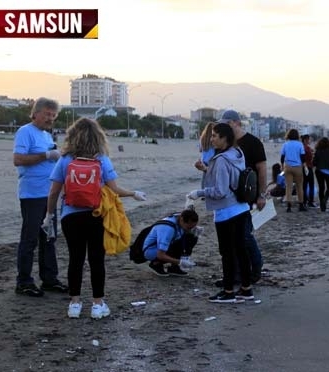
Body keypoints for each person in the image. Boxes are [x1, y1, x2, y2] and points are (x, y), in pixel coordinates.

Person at [45, 117, 148, 319]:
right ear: (98, 137)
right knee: (96, 260)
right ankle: (97, 304)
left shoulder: (65, 159)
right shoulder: (101, 159)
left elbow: (53, 192)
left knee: (75, 259)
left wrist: (49, 216)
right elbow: (115, 189)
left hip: (70, 217)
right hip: (96, 215)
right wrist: (133, 193)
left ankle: (74, 304)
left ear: (73, 136)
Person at [188, 123, 253, 303]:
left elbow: (220, 191)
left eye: (215, 136)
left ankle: (228, 291)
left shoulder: (221, 159)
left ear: (225, 138)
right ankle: (246, 289)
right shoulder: (238, 154)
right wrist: (206, 170)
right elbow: (228, 177)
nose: (211, 138)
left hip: (226, 212)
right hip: (241, 207)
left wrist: (199, 193)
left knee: (227, 252)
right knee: (240, 250)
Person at [12, 97, 68, 297]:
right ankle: (24, 282)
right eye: (47, 114)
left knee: (49, 237)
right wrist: (45, 156)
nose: (50, 118)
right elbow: (18, 160)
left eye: (53, 115)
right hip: (32, 194)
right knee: (30, 239)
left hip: (49, 194)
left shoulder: (46, 135)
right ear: (36, 113)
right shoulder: (25, 131)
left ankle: (49, 279)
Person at [220, 109, 267, 284]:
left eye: (227, 124)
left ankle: (255, 268)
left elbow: (262, 170)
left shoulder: (253, 143)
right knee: (233, 237)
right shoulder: (225, 143)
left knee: (244, 235)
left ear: (236, 123)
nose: (224, 127)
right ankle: (238, 272)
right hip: (228, 197)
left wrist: (261, 195)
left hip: (247, 195)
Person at [143, 210, 200, 276]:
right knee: (183, 241)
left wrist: (194, 232)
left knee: (192, 237)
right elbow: (160, 255)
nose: (190, 229)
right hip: (151, 250)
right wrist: (181, 262)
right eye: (189, 227)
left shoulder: (179, 218)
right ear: (182, 220)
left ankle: (174, 268)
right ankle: (156, 264)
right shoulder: (168, 229)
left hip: (166, 245)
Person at [280, 128, 307, 212]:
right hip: (298, 166)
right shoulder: (300, 144)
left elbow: (282, 157)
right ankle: (301, 204)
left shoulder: (285, 144)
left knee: (289, 186)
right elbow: (302, 157)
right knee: (299, 186)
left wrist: (282, 165)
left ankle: (289, 205)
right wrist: (304, 165)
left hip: (287, 167)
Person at [313, 137, 329, 212]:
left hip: (319, 171)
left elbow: (314, 162)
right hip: (328, 171)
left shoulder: (317, 150)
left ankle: (322, 206)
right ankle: (325, 200)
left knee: (321, 188)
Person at [194, 122, 217, 188]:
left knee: (205, 183)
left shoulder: (202, 138)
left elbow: (200, 150)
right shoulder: (214, 139)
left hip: (204, 162)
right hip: (212, 162)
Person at [301, 134, 317, 208]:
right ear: (305, 140)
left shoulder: (302, 147)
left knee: (304, 185)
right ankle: (310, 201)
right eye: (308, 139)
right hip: (308, 168)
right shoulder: (306, 148)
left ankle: (304, 201)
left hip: (303, 168)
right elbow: (310, 158)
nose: (309, 141)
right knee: (310, 185)